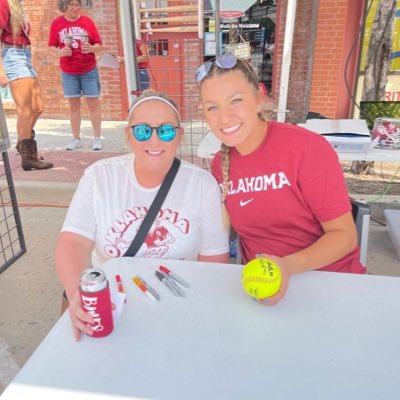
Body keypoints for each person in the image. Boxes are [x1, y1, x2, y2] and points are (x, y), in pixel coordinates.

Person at [55, 89, 229, 340]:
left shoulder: (202, 185)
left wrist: (196, 312)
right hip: (110, 305)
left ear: (179, 136)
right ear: (129, 135)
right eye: (143, 131)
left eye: (166, 130)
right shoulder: (100, 176)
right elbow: (73, 242)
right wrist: (77, 294)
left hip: (176, 303)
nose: (155, 141)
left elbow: (214, 260)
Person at [196, 54, 366, 306]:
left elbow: (344, 235)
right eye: (213, 107)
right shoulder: (219, 164)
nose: (225, 117)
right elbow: (227, 230)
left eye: (236, 101)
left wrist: (287, 266)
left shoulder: (306, 148)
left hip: (332, 284)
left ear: (258, 98)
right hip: (264, 290)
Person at [0, 0, 54, 171]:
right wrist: (0, 70)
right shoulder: (3, 3)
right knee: (25, 109)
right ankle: (29, 157)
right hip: (12, 54)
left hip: (24, 54)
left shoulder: (18, 5)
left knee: (38, 107)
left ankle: (23, 143)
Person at [48, 0, 104, 151]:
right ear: (64, 6)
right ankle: (76, 139)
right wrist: (59, 52)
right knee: (73, 107)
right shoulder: (57, 24)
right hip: (68, 72)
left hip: (89, 70)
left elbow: (100, 45)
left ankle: (97, 138)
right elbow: (51, 46)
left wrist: (92, 48)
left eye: (77, 4)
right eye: (71, 4)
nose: (75, 7)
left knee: (93, 105)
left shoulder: (87, 22)